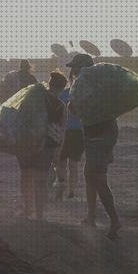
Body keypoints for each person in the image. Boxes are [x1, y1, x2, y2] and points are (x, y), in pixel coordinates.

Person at [15, 74, 66, 221]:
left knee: (26, 176)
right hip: (47, 146)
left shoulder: (34, 98)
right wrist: (58, 154)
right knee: (41, 180)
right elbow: (62, 132)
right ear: (62, 88)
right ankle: (40, 214)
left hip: (27, 142)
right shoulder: (60, 106)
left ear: (49, 83)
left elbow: (19, 117)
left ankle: (27, 209)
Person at [56, 54, 92, 200]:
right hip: (79, 132)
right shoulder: (88, 94)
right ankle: (71, 191)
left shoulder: (63, 94)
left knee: (61, 161)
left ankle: (61, 185)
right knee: (74, 163)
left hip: (63, 132)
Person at [83, 113, 121, 240]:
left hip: (96, 144)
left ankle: (114, 220)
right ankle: (92, 217)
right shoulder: (106, 108)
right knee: (92, 179)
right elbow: (114, 131)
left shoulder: (94, 108)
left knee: (99, 182)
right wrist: (109, 149)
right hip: (97, 144)